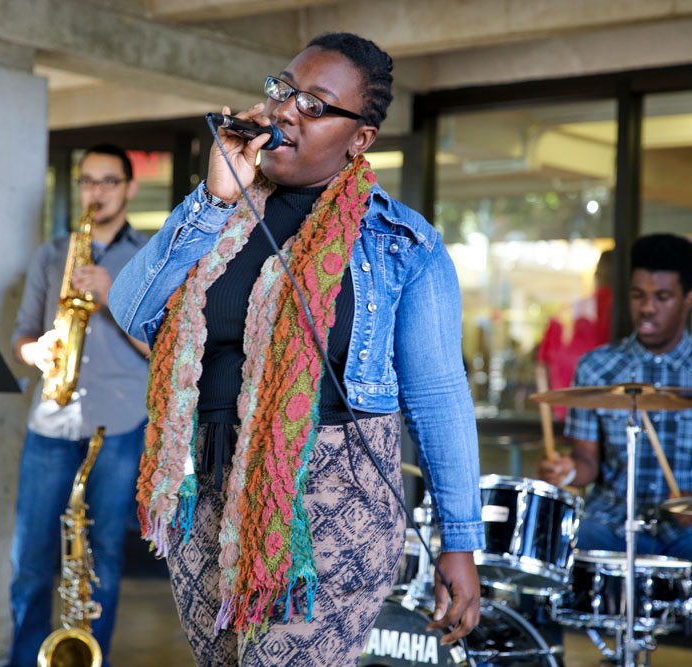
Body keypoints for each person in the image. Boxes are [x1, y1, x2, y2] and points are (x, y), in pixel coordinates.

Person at [108, 33, 484, 667]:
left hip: (338, 498)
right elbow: (131, 309)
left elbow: (439, 394)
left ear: (359, 138)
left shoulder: (400, 242)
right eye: (282, 90)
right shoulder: (221, 214)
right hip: (209, 490)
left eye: (314, 104)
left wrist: (460, 542)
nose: (285, 111)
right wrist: (211, 201)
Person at [539, 233, 692, 667]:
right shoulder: (598, 367)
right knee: (544, 566)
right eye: (639, 295)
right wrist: (569, 471)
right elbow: (588, 462)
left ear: (689, 297)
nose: (647, 308)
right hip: (609, 520)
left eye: (662, 297)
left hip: (691, 529)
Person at [6, 144, 152, 667]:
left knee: (103, 559)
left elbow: (164, 346)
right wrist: (35, 351)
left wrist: (114, 295)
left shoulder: (148, 258)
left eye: (109, 181)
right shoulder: (52, 254)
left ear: (130, 188)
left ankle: (91, 660)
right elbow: (21, 335)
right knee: (30, 563)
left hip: (117, 425)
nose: (97, 191)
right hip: (51, 421)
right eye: (88, 181)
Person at [536, 249, 613, 419]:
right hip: (609, 419)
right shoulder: (635, 316)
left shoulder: (566, 314)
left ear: (596, 275)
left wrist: (549, 416)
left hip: (566, 417)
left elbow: (542, 367)